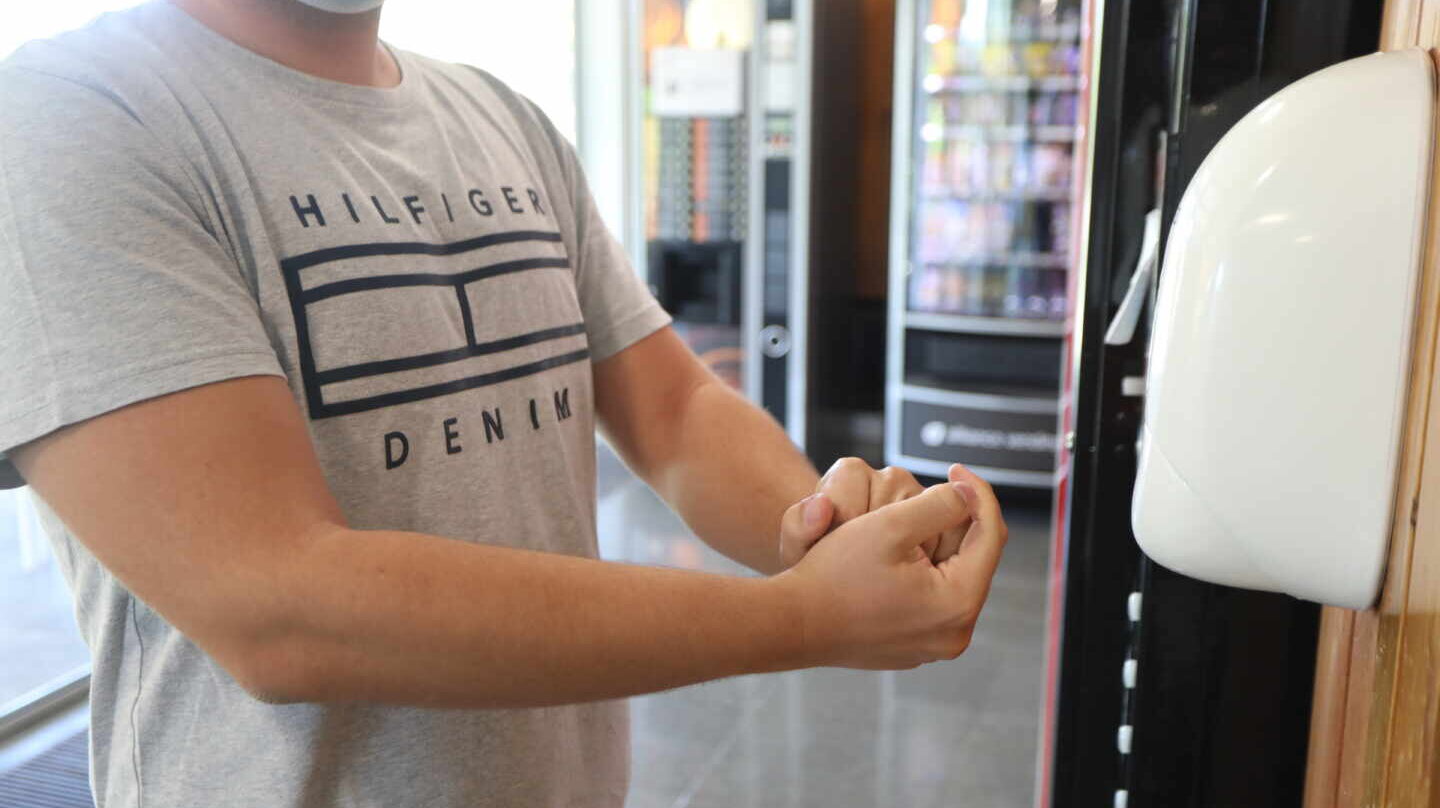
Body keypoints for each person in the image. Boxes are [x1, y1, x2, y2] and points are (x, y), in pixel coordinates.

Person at [0, 0, 1009, 805]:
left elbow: (675, 410)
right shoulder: (69, 120)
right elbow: (276, 603)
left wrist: (818, 529)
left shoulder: (499, 115)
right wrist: (800, 619)